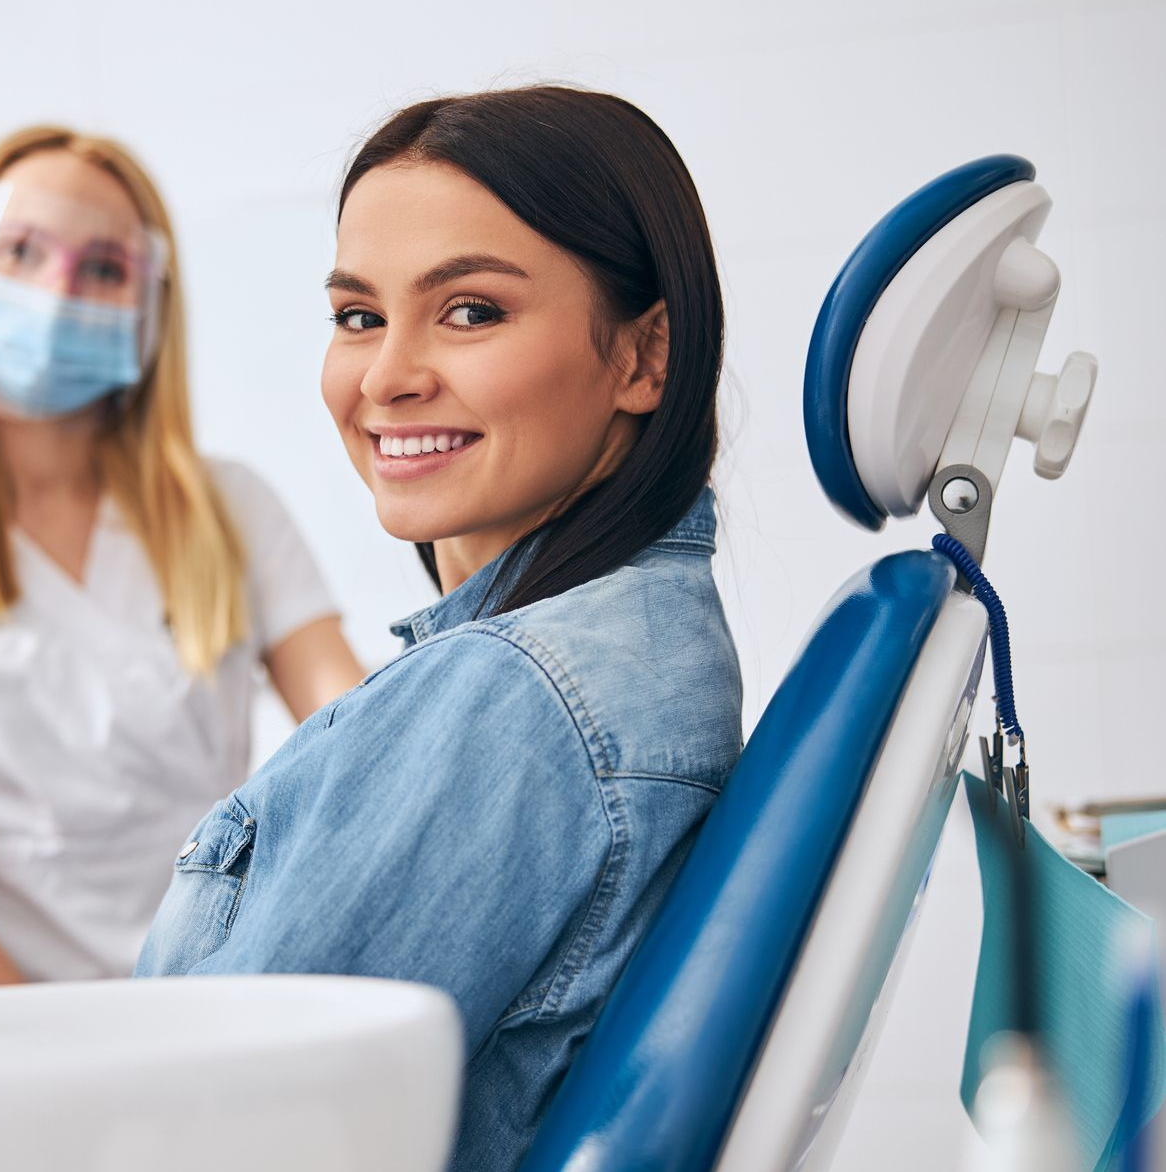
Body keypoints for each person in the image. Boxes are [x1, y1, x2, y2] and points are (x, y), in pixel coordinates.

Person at [135, 87, 743, 1172]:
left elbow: (217, 1130)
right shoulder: (629, 646)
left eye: (469, 311)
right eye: (359, 315)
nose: (385, 376)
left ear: (643, 358)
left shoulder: (515, 699)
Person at [0, 126, 364, 989]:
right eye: (20, 251)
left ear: (149, 307)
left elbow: (356, 735)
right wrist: (62, 1079)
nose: (57, 293)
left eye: (101, 268)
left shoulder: (229, 510)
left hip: (206, 1007)